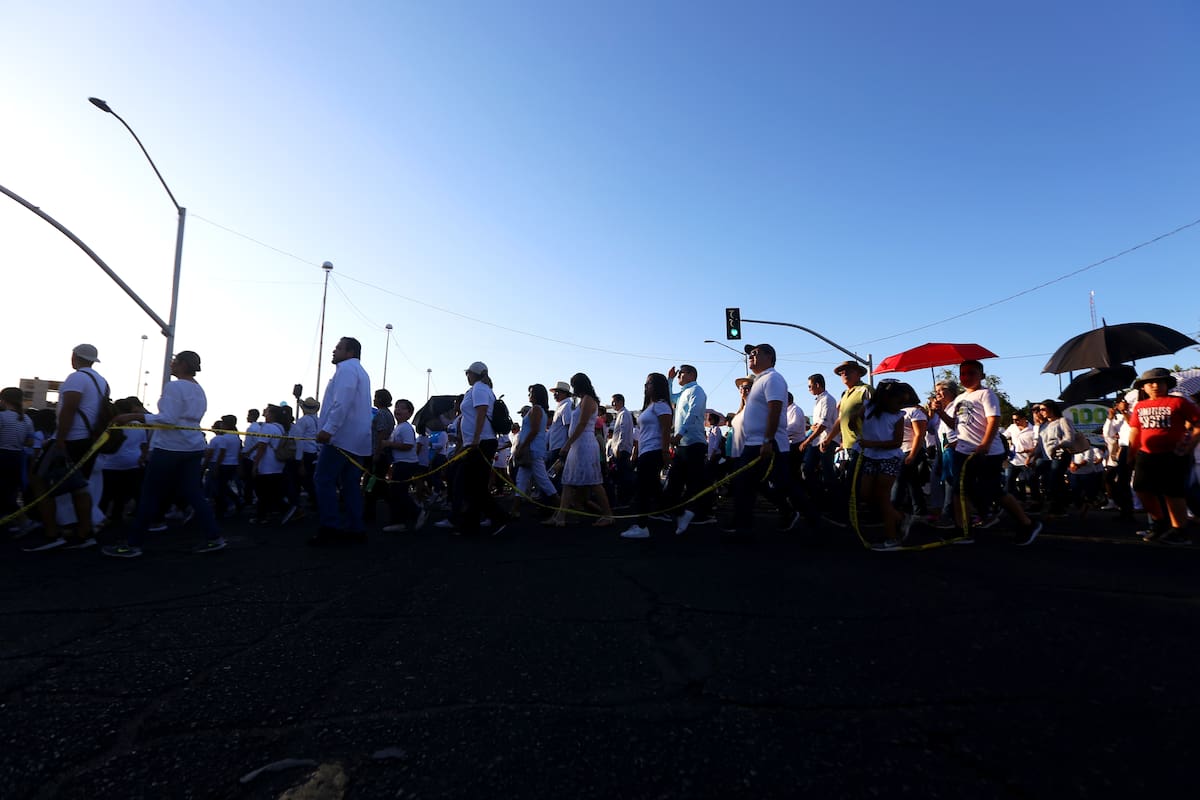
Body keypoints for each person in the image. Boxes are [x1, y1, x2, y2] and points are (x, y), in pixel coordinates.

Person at [101, 351, 225, 557]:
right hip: (193, 447)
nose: (171, 364)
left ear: (183, 364)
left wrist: (133, 416)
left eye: (175, 361)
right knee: (194, 494)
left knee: (149, 495)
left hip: (170, 448)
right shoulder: (199, 389)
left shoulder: (174, 387)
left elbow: (168, 419)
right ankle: (214, 538)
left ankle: (133, 545)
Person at [928, 359, 1041, 545]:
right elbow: (955, 425)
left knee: (994, 490)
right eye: (963, 374)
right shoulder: (959, 399)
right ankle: (962, 529)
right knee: (958, 491)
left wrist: (985, 443)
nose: (966, 377)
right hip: (963, 451)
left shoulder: (986, 394)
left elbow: (993, 420)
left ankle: (1027, 523)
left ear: (981, 375)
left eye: (971, 373)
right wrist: (940, 413)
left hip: (987, 452)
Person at [26, 344, 110, 551]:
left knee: (39, 481)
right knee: (79, 487)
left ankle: (52, 533)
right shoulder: (102, 382)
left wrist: (60, 439)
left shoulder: (77, 378)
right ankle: (84, 533)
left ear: (74, 357)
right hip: (89, 441)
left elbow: (69, 410)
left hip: (71, 439)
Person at [727, 344, 801, 536]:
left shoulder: (773, 378)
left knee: (786, 486)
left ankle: (810, 519)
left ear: (770, 357)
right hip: (753, 443)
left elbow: (775, 409)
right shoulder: (759, 381)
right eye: (750, 354)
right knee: (745, 485)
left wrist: (767, 440)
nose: (751, 356)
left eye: (755, 353)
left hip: (768, 442)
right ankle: (742, 528)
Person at [311, 337, 373, 546]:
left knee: (323, 480)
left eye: (338, 347)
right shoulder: (361, 372)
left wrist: (328, 429)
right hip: (358, 441)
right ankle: (356, 529)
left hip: (340, 439)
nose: (334, 351)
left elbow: (342, 401)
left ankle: (330, 527)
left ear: (350, 352)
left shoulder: (346, 369)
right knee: (350, 485)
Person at [1127, 368, 1200, 544]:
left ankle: (1179, 531)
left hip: (1173, 455)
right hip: (1146, 455)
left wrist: (1189, 447)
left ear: (1167, 384)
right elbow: (1135, 432)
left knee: (1173, 493)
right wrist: (1131, 454)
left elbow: (1198, 425)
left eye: (1159, 382)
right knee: (1140, 488)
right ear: (1143, 388)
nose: (1155, 385)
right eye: (1149, 383)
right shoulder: (1139, 406)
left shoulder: (1179, 402)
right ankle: (1159, 522)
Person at [544, 373, 614, 527]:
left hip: (584, 445)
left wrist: (567, 444)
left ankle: (608, 514)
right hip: (579, 445)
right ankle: (560, 516)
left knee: (594, 482)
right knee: (568, 482)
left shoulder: (588, 400)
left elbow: (582, 425)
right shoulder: (583, 401)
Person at [455, 362, 511, 536]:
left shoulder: (479, 389)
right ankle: (471, 524)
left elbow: (481, 412)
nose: (467, 376)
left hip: (480, 442)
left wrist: (475, 439)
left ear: (474, 374)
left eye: (468, 373)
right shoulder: (482, 389)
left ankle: (498, 518)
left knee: (474, 485)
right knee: (473, 485)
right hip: (480, 442)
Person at [857, 380, 912, 550]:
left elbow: (896, 443)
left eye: (903, 402)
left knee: (883, 497)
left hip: (889, 458)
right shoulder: (867, 407)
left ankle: (892, 537)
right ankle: (900, 517)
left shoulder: (898, 416)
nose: (900, 405)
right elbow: (854, 421)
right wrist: (853, 422)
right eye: (898, 401)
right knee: (865, 494)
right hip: (870, 457)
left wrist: (871, 443)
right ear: (885, 398)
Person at [620, 373, 673, 539]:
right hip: (645, 451)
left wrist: (665, 452)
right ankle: (677, 512)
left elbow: (665, 429)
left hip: (654, 451)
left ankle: (641, 526)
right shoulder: (650, 406)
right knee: (653, 487)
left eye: (649, 383)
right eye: (646, 383)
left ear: (657, 386)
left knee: (642, 488)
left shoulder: (662, 405)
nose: (646, 386)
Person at [665, 364, 715, 533]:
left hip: (694, 443)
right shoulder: (682, 393)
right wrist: (670, 379)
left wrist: (679, 434)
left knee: (695, 481)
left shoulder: (697, 390)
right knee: (675, 480)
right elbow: (669, 397)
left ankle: (697, 514)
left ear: (691, 374)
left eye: (681, 373)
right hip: (683, 444)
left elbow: (693, 414)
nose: (679, 375)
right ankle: (680, 511)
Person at [511, 384, 560, 516]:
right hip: (532, 450)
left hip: (532, 450)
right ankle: (515, 510)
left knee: (543, 480)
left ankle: (561, 508)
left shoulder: (537, 410)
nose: (529, 395)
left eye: (531, 393)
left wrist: (522, 446)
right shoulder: (537, 410)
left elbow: (534, 430)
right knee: (522, 480)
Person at [383, 398, 425, 533]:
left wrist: (389, 444)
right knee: (396, 493)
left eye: (402, 408)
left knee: (397, 492)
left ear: (409, 413)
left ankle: (415, 513)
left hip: (405, 464)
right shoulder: (398, 427)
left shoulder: (406, 428)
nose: (397, 410)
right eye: (396, 407)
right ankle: (400, 520)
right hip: (400, 463)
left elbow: (408, 445)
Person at [798, 373, 838, 510]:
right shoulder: (819, 400)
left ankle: (834, 503)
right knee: (808, 469)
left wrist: (807, 440)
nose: (808, 389)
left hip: (826, 440)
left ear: (817, 385)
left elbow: (823, 425)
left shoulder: (827, 400)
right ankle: (819, 498)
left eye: (810, 386)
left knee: (828, 473)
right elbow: (818, 424)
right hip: (817, 441)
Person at [0, 386, 35, 529]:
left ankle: (24, 520)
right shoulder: (27, 419)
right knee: (11, 491)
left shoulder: (2, 416)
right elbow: (30, 441)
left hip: (2, 455)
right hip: (17, 458)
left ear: (3, 400)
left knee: (3, 491)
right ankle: (10, 518)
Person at [363, 389, 395, 524]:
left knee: (370, 484)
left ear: (381, 399)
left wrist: (377, 452)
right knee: (379, 484)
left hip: (378, 453)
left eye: (376, 397)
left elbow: (381, 434)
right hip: (384, 453)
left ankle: (369, 515)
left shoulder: (381, 414)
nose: (374, 399)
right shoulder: (389, 414)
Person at [610, 393, 635, 506]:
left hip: (621, 450)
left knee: (623, 476)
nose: (612, 404)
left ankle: (624, 500)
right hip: (620, 450)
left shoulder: (624, 414)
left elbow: (623, 433)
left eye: (614, 401)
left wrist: (619, 448)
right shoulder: (621, 414)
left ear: (620, 401)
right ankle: (624, 498)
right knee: (621, 476)